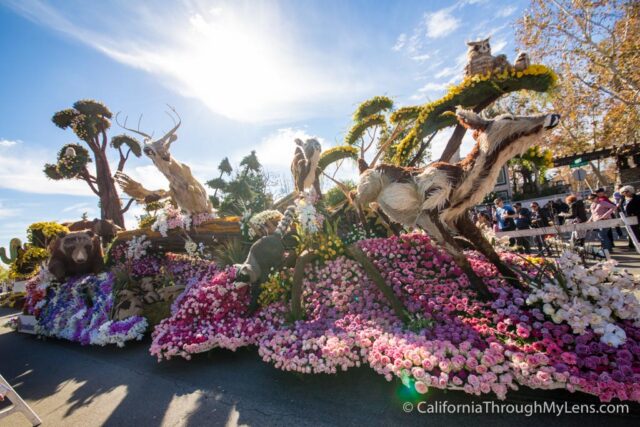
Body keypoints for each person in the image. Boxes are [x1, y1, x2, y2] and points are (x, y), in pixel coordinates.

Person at [618, 185, 640, 249]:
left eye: (626, 191)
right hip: (627, 217)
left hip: (636, 217)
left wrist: (635, 213)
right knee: (631, 231)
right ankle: (633, 245)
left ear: (630, 191)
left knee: (637, 231)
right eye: (622, 192)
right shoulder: (622, 199)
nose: (624, 193)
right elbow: (620, 207)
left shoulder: (637, 198)